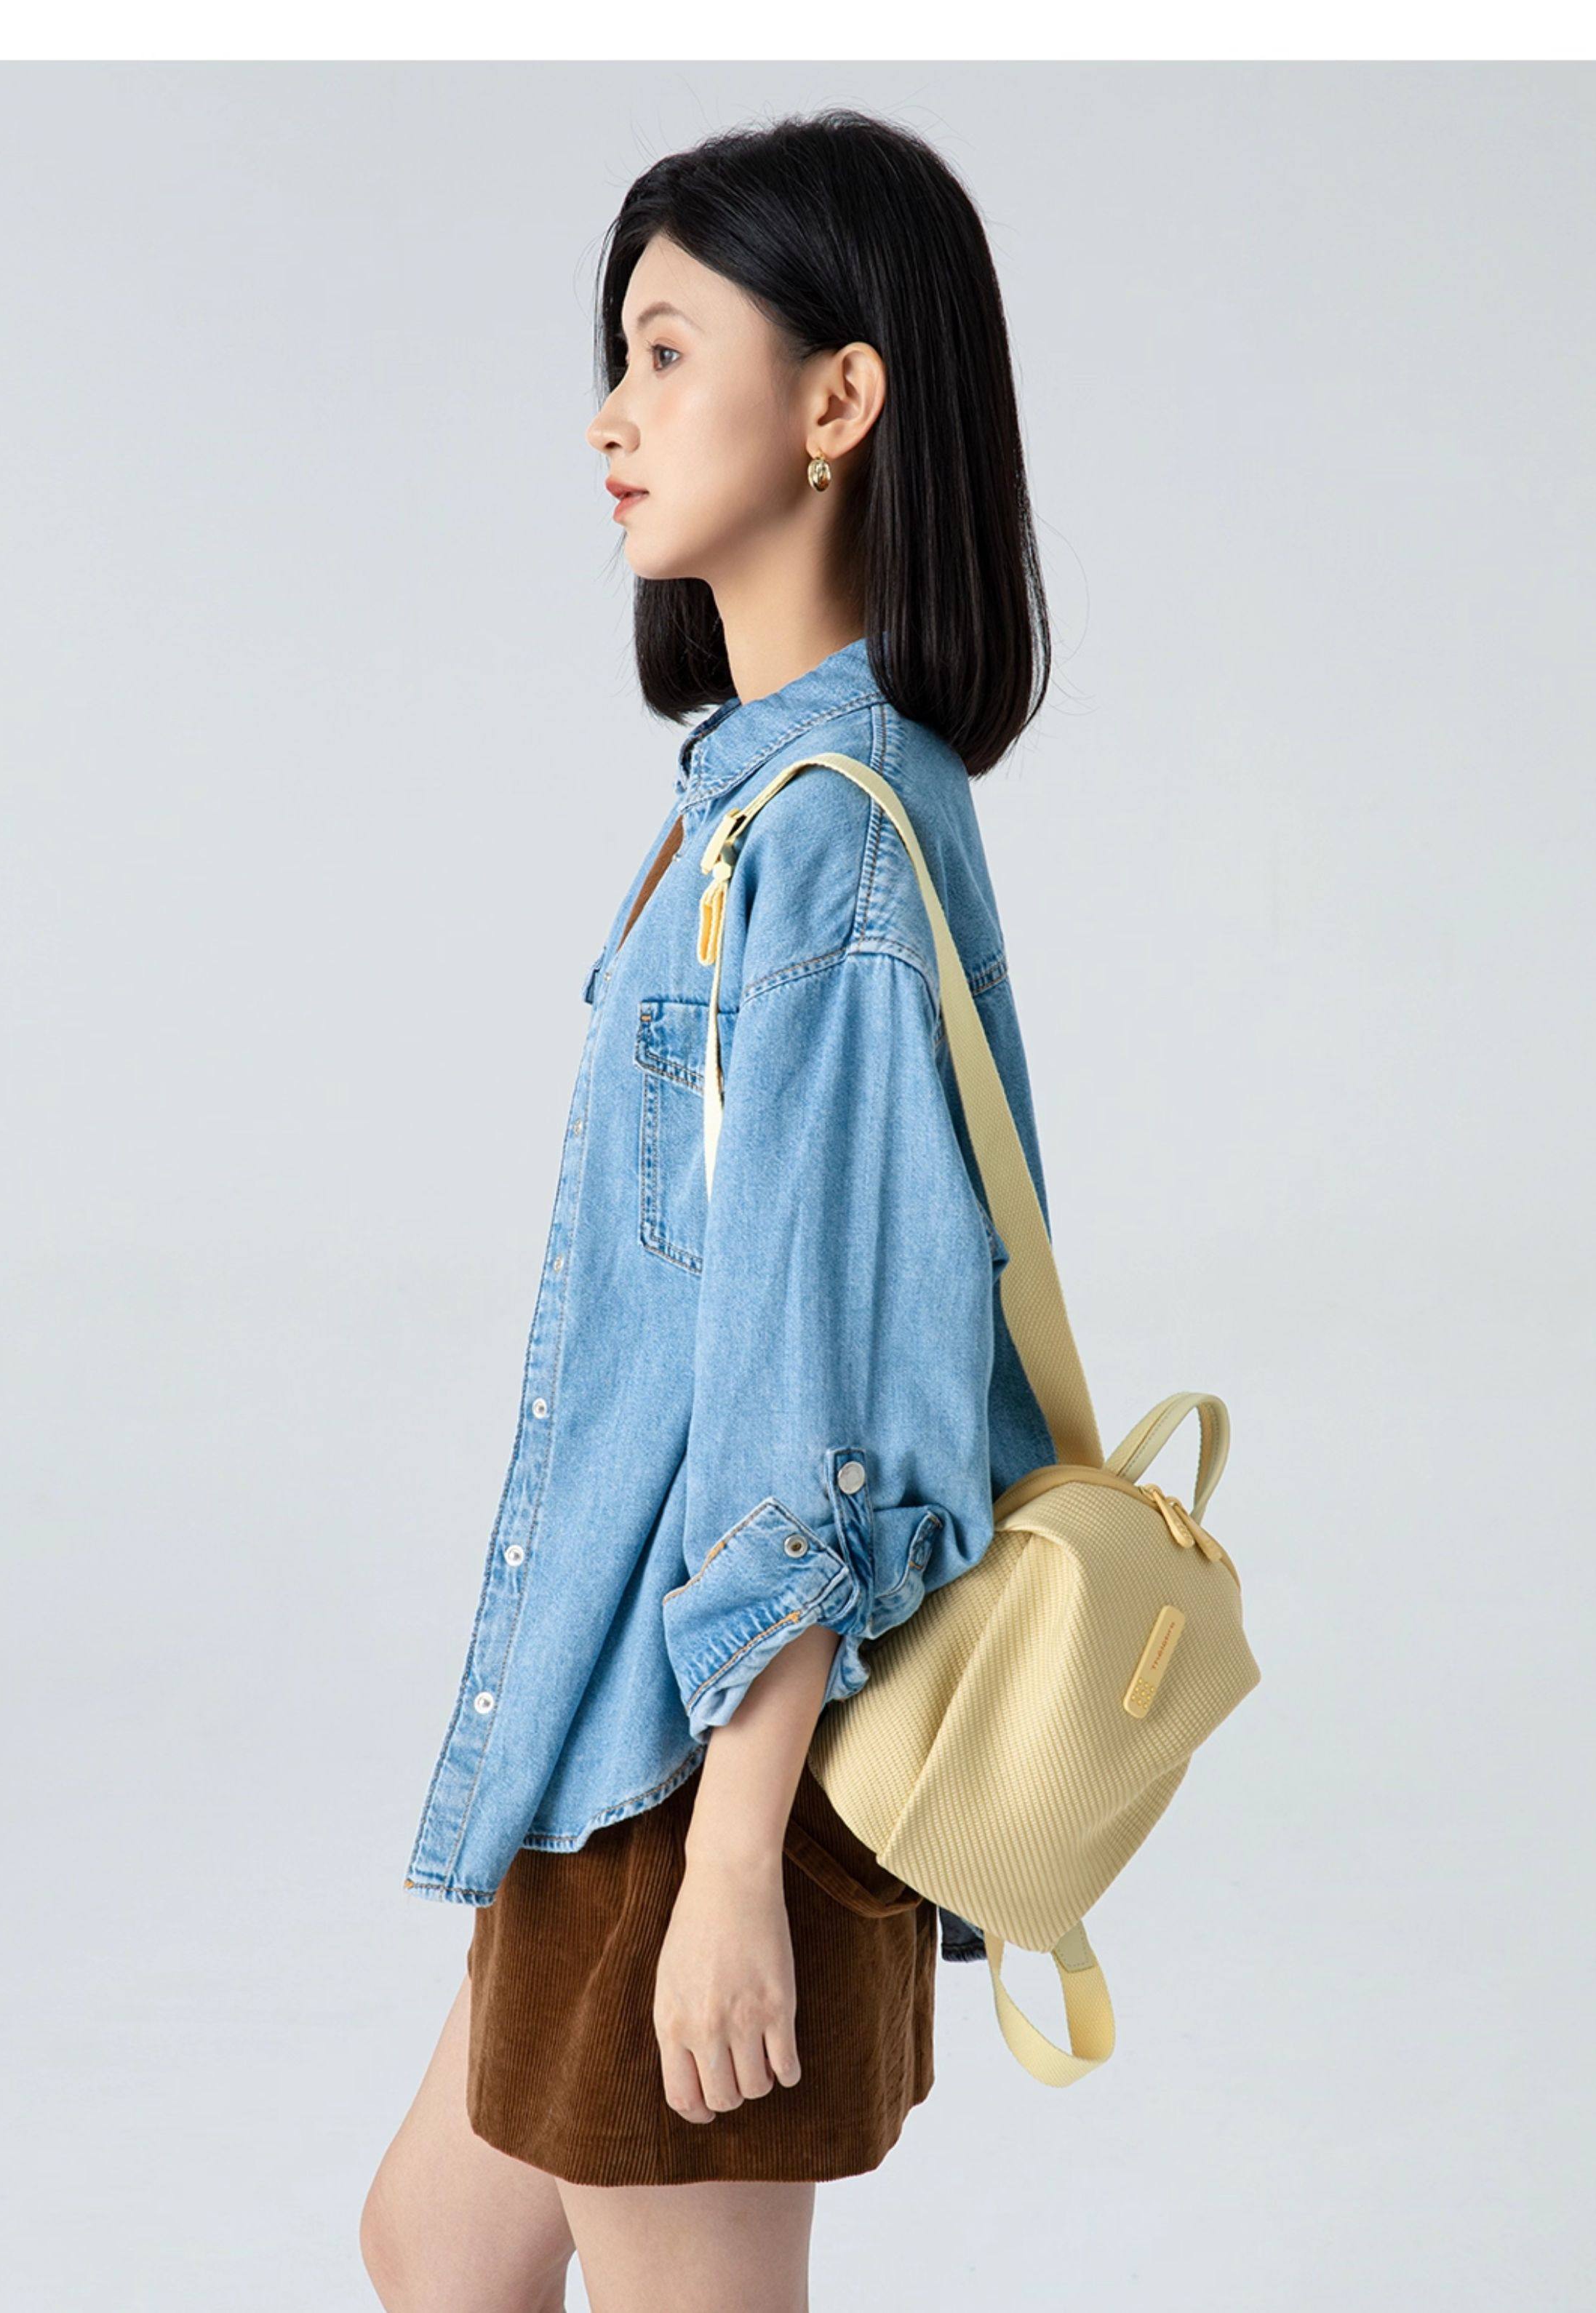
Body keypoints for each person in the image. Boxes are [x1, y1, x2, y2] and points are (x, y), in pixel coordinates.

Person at [362, 106, 1065, 2313]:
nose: (613, 413)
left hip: (704, 1759)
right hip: (618, 1731)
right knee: (435, 2246)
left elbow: (818, 1395)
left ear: (838, 400)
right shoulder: (758, 801)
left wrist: (739, 1859)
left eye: (669, 352)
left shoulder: (830, 836)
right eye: (619, 355)